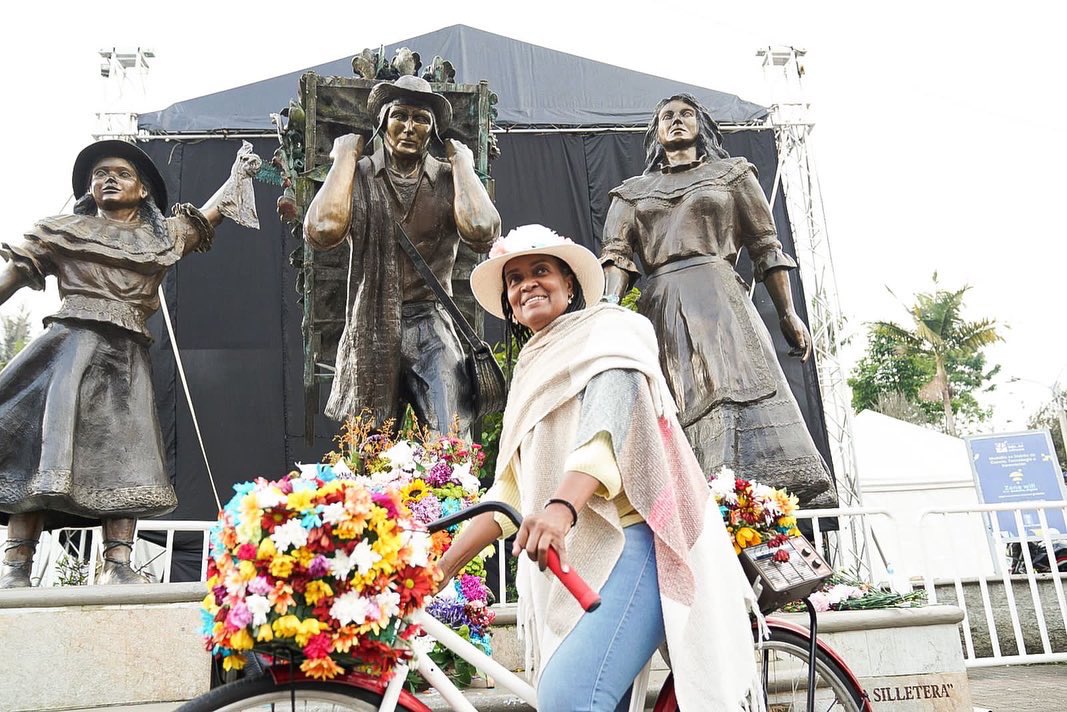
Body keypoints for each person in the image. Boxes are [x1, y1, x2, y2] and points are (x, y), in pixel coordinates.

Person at [438, 224, 763, 711]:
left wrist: (559, 509)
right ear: (509, 303)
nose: (527, 284)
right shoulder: (529, 368)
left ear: (569, 284)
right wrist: (441, 567)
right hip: (575, 558)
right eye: (515, 278)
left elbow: (604, 436)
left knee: (568, 697)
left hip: (639, 542)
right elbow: (509, 494)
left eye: (541, 270)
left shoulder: (610, 331)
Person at [0, 139, 260, 587]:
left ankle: (117, 565)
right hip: (67, 353)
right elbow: (13, 276)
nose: (109, 179)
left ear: (142, 190)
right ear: (89, 189)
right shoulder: (62, 231)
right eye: (100, 174)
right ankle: (16, 568)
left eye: (121, 173)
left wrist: (238, 176)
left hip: (125, 360)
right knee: (39, 454)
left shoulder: (160, 237)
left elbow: (209, 215)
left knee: (128, 457)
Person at [600, 93, 837, 507]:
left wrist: (788, 312)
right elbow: (616, 255)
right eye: (667, 116)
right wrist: (608, 308)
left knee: (737, 391)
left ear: (702, 126)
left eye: (686, 114)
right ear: (656, 132)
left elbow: (766, 245)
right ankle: (691, 506)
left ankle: (747, 507)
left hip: (721, 298)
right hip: (662, 307)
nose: (676, 120)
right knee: (675, 402)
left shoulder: (732, 175)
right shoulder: (632, 193)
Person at [303, 74, 501, 436]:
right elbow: (321, 231)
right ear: (382, 123)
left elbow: (483, 232)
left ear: (433, 130)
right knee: (369, 445)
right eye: (400, 116)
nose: (410, 127)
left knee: (450, 436)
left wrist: (462, 164)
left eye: (421, 119)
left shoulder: (449, 179)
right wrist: (344, 157)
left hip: (429, 322)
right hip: (371, 324)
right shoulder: (357, 175)